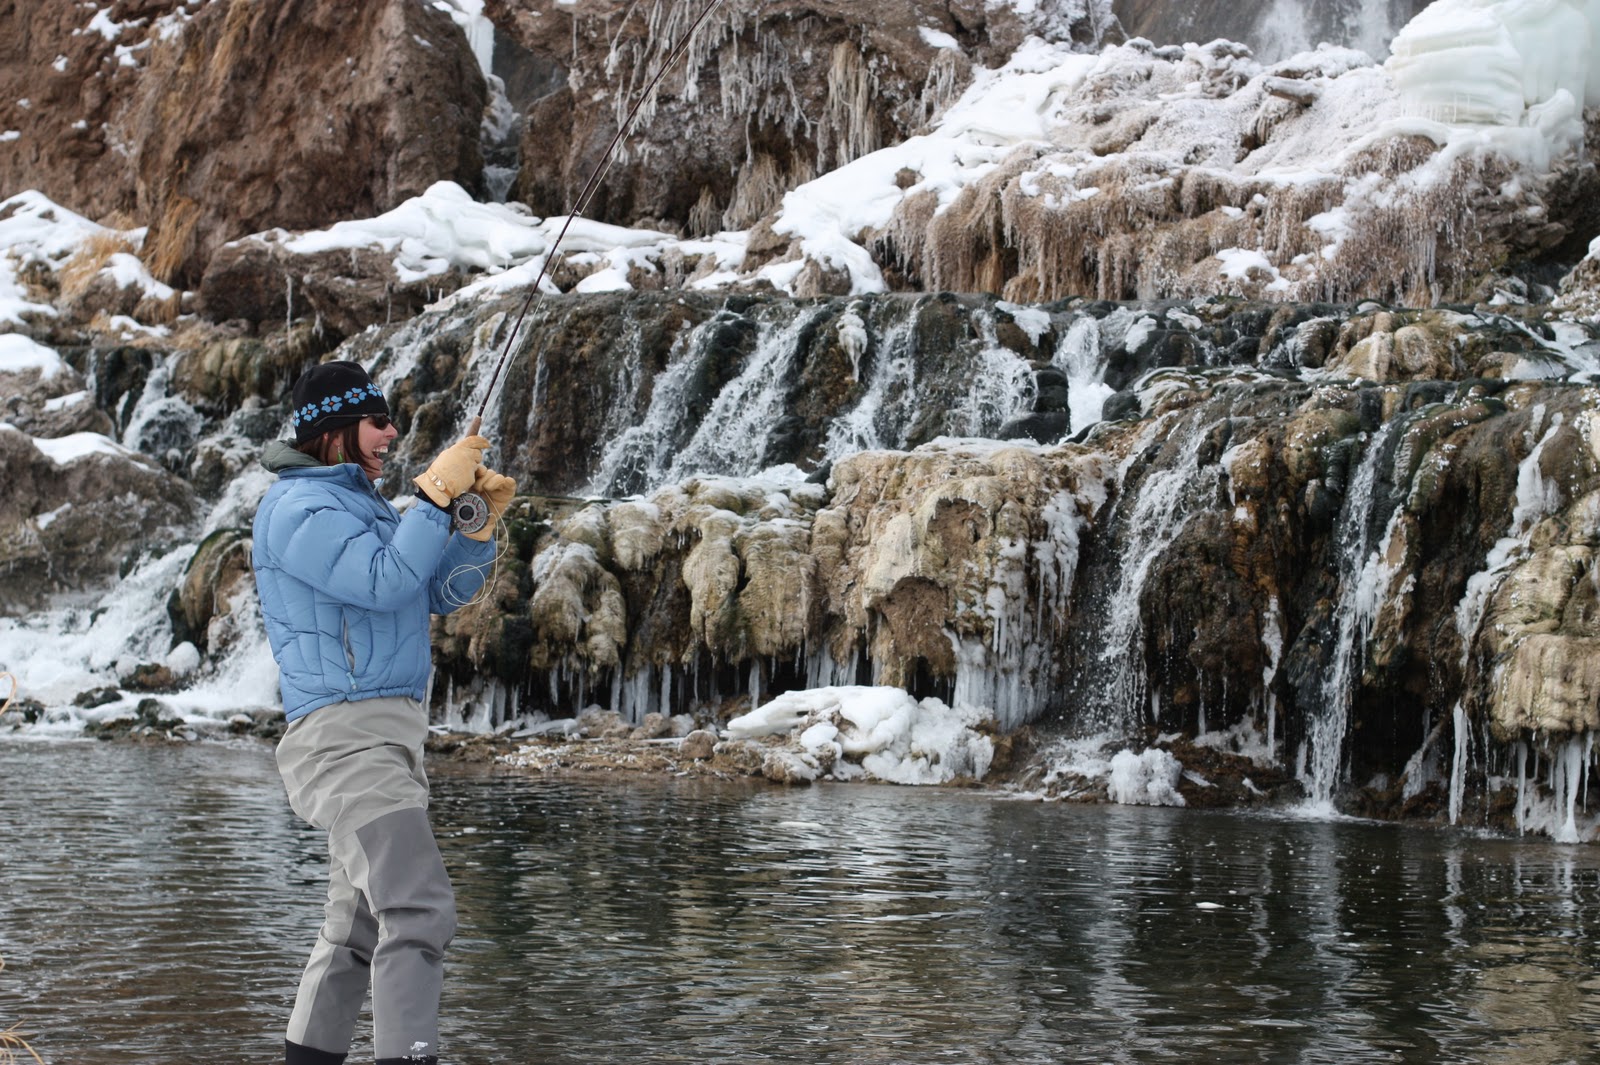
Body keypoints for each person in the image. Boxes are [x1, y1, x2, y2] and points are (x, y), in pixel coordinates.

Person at [251, 360, 516, 1065]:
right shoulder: (297, 508)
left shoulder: (355, 503)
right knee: (418, 907)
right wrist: (432, 495)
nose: (392, 433)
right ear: (335, 431)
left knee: (357, 923)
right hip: (345, 739)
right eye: (377, 421)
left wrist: (475, 528)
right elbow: (381, 580)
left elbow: (430, 590)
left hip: (387, 735)